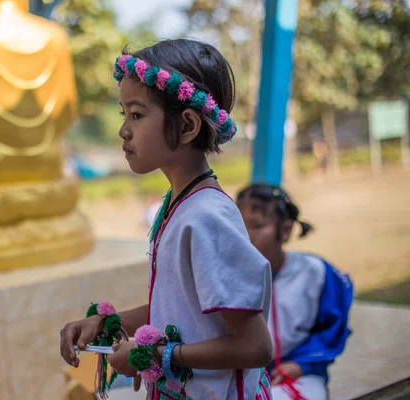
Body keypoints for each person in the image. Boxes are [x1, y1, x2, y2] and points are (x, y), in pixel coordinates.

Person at [60, 39, 273, 399]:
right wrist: (107, 323)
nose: (123, 131)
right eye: (123, 115)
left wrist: (151, 354)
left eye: (137, 115)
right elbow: (182, 309)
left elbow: (255, 347)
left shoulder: (206, 218)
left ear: (187, 125)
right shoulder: (179, 205)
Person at [236, 183, 354, 400]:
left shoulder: (316, 273)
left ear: (285, 230)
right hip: (239, 373)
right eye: (238, 226)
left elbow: (331, 328)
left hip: (296, 372)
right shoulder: (225, 276)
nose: (245, 236)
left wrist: (300, 364)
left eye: (256, 225)